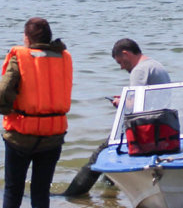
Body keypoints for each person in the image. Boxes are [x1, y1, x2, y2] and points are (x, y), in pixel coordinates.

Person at [0, 17, 73, 208]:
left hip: (21, 133)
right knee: (41, 191)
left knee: (13, 189)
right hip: (52, 134)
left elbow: (4, 89)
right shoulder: (64, 57)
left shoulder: (20, 56)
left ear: (27, 38)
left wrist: (4, 109)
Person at [62, 38, 171, 196]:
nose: (121, 67)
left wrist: (121, 103)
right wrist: (125, 99)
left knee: (99, 156)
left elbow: (136, 104)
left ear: (126, 54)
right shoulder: (155, 65)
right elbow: (150, 98)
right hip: (159, 125)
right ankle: (110, 196)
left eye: (121, 62)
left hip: (144, 128)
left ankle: (72, 195)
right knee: (114, 156)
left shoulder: (139, 70)